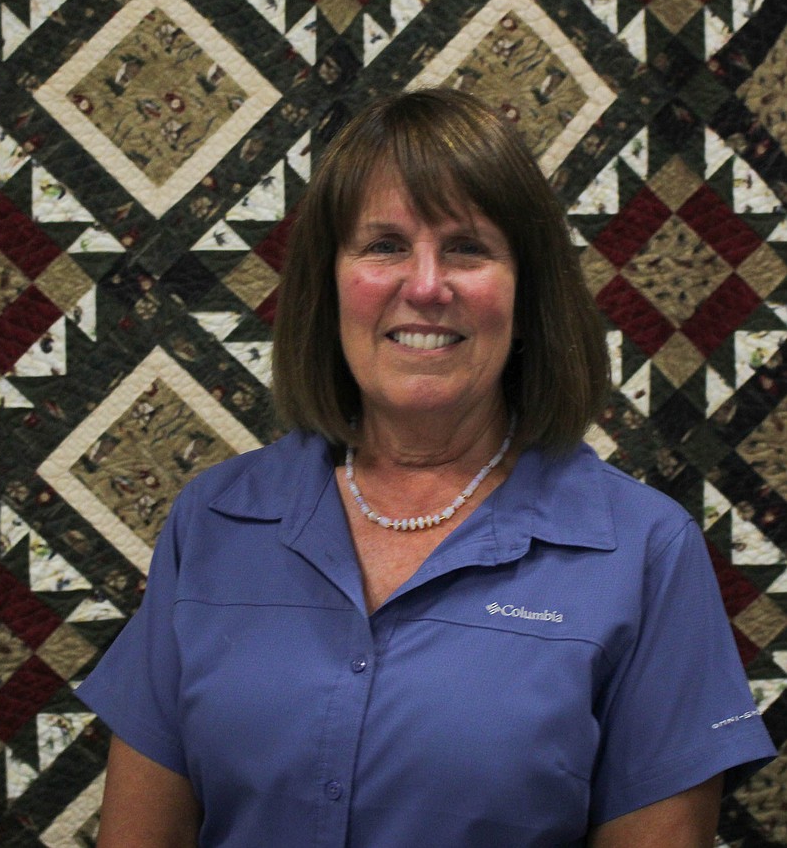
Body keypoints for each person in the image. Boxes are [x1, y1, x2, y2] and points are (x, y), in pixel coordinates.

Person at [75, 88, 776, 847]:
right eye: (383, 245)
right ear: (328, 284)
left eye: (468, 247)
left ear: (527, 292)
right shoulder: (213, 520)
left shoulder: (645, 552)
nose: (426, 285)